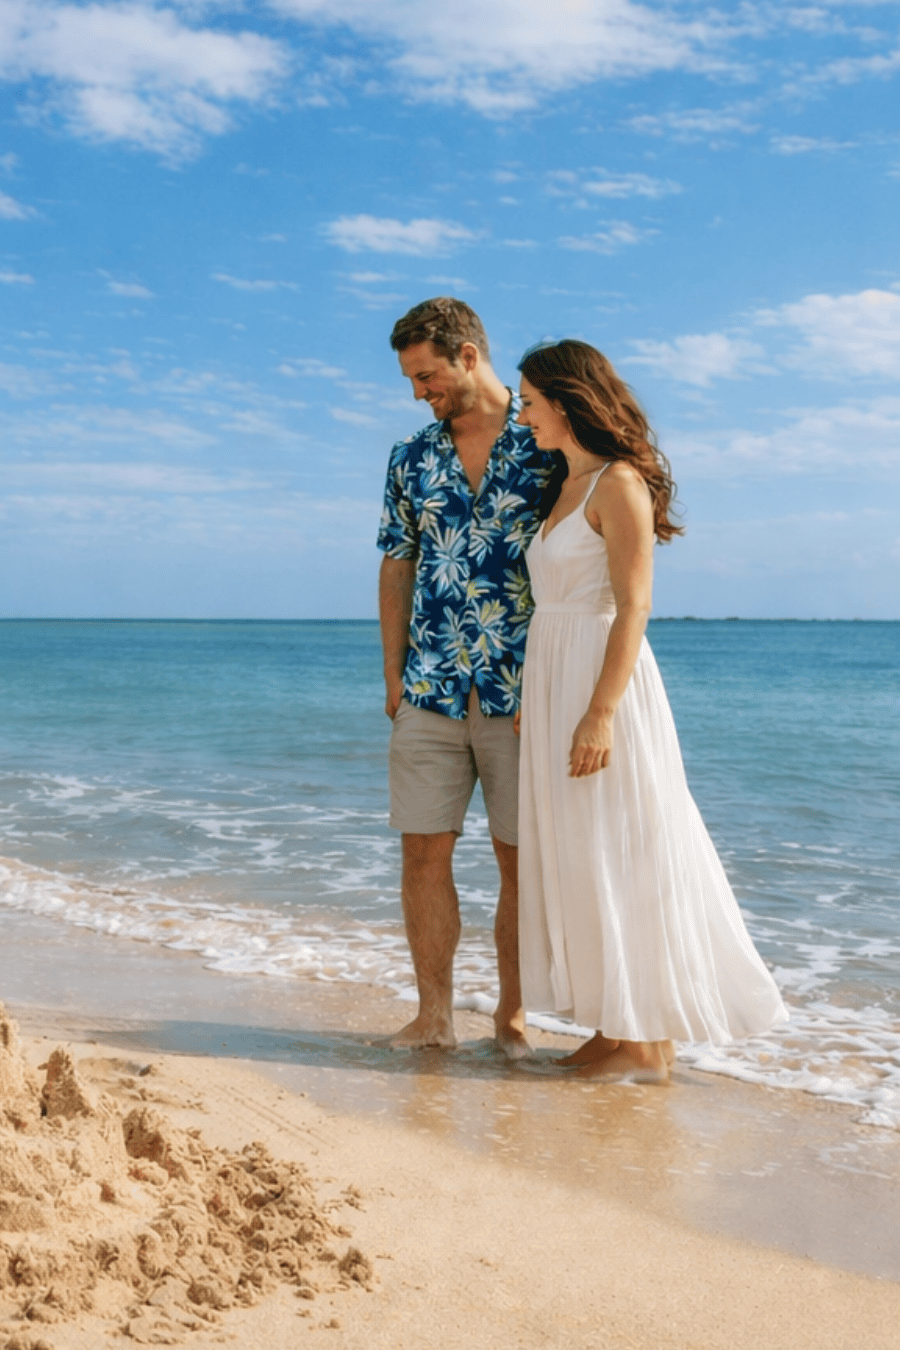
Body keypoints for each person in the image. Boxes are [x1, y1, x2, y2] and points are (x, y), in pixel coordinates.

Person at [511, 339, 788, 1082]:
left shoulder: (617, 484)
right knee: (580, 854)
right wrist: (534, 700)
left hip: (604, 684)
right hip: (554, 677)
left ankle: (647, 1043)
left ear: (565, 403)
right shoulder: (560, 486)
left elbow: (635, 605)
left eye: (530, 400)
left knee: (622, 849)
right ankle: (618, 1026)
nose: (522, 412)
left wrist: (600, 713)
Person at [377, 297, 556, 1056]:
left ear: (468, 355)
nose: (421, 393)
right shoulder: (410, 457)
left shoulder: (548, 440)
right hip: (430, 686)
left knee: (520, 862)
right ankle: (434, 1017)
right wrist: (392, 676)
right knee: (422, 852)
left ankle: (511, 1019)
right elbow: (397, 562)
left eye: (427, 376)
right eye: (414, 382)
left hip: (525, 693)